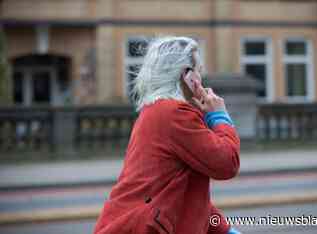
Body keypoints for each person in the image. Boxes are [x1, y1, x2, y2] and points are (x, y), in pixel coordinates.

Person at [93, 36, 241, 234]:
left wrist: (224, 230)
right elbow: (227, 163)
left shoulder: (154, 111)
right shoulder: (176, 114)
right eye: (199, 71)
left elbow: (188, 195)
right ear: (186, 75)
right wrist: (219, 116)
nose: (201, 78)